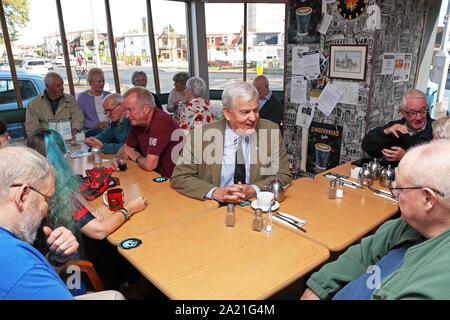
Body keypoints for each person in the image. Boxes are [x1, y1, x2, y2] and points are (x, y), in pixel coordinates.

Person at [301, 140, 450, 300]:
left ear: (428, 199)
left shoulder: (438, 280)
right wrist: (318, 288)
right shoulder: (416, 222)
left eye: (400, 190)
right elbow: (365, 252)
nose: (395, 196)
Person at [27, 128, 148, 290]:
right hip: (64, 268)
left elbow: (72, 190)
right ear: (64, 156)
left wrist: (89, 208)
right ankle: (120, 286)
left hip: (43, 258)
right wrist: (130, 208)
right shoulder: (54, 195)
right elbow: (100, 231)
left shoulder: (37, 182)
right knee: (107, 243)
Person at [0, 145, 125, 300]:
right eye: (46, 199)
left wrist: (56, 260)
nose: (46, 210)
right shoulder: (24, 270)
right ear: (22, 195)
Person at [170, 81, 292, 204]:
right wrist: (215, 192)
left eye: (255, 110)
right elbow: (180, 177)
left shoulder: (271, 130)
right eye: (245, 112)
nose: (254, 118)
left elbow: (283, 174)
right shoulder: (200, 136)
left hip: (256, 205)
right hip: (215, 208)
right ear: (227, 113)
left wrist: (254, 189)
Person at [110, 86, 182, 178]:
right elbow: (126, 149)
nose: (127, 116)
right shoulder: (137, 122)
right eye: (126, 110)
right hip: (156, 177)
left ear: (146, 108)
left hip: (174, 181)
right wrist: (118, 158)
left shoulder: (160, 121)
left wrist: (137, 157)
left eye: (130, 110)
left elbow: (149, 165)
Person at [361, 89, 434, 166]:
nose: (419, 117)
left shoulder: (437, 130)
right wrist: (386, 132)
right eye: (413, 112)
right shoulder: (395, 127)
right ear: (402, 112)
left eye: (423, 111)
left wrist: (406, 157)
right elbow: (368, 147)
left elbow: (439, 166)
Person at [25, 72, 84, 137]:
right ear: (48, 86)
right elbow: (31, 128)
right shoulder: (33, 104)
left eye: (62, 84)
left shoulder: (70, 100)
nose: (62, 88)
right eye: (58, 86)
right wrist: (43, 139)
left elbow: (78, 119)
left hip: (68, 138)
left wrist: (74, 130)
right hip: (46, 141)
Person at [76, 68, 111, 137]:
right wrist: (96, 125)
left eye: (103, 81)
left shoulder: (108, 95)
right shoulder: (82, 97)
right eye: (99, 81)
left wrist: (109, 124)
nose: (102, 84)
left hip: (109, 128)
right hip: (92, 130)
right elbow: (80, 119)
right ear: (90, 83)